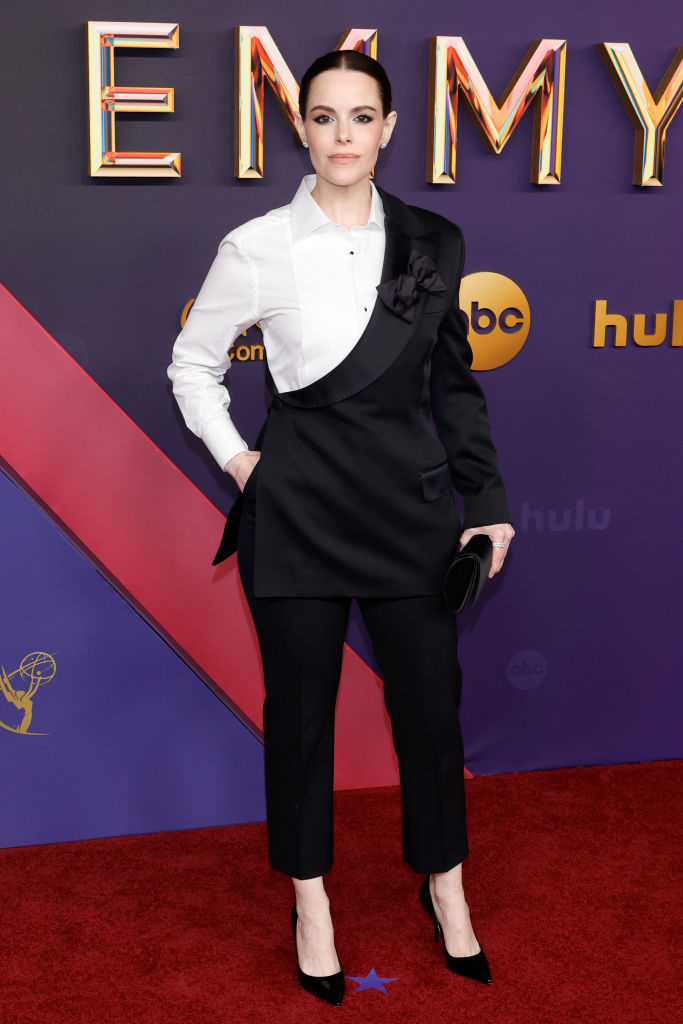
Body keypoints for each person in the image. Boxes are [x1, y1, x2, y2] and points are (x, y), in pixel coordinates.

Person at [168, 49, 514, 1007]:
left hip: (410, 517)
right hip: (299, 520)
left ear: (389, 129)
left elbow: (453, 387)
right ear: (302, 129)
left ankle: (444, 886)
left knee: (431, 717)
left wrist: (486, 504)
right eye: (323, 117)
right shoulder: (256, 246)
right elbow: (192, 366)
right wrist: (241, 463)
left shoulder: (434, 240)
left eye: (361, 117)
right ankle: (310, 903)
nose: (342, 135)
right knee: (302, 722)